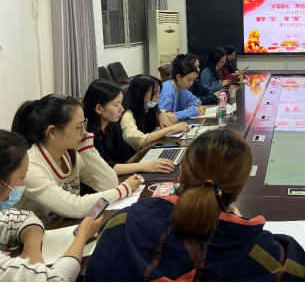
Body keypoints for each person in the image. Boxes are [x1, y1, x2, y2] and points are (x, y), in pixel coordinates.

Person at [85, 129, 305, 282]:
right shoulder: (258, 250)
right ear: (238, 192)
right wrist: (239, 222)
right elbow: (294, 264)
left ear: (180, 174)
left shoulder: (124, 224)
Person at [11, 94, 142, 224]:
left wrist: (88, 151)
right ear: (53, 132)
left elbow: (109, 184)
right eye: (79, 126)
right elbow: (76, 207)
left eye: (84, 123)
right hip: (36, 234)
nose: (85, 132)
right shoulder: (30, 166)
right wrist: (124, 190)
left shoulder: (70, 154)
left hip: (62, 226)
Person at [0, 130, 104, 282]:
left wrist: (32, 249)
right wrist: (82, 236)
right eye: (22, 178)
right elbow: (56, 279)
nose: (84, 132)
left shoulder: (71, 157)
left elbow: (20, 218)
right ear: (53, 132)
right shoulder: (36, 164)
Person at [83, 79, 175, 176]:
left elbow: (125, 156)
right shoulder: (86, 134)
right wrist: (144, 166)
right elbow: (103, 168)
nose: (122, 109)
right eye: (116, 105)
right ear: (99, 108)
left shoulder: (113, 125)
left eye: (121, 103)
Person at [121, 75, 190, 152]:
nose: (158, 96)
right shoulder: (127, 114)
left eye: (158, 92)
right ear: (140, 94)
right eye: (154, 93)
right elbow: (140, 140)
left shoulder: (148, 107)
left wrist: (163, 114)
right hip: (137, 155)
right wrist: (169, 129)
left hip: (149, 149)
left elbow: (174, 119)